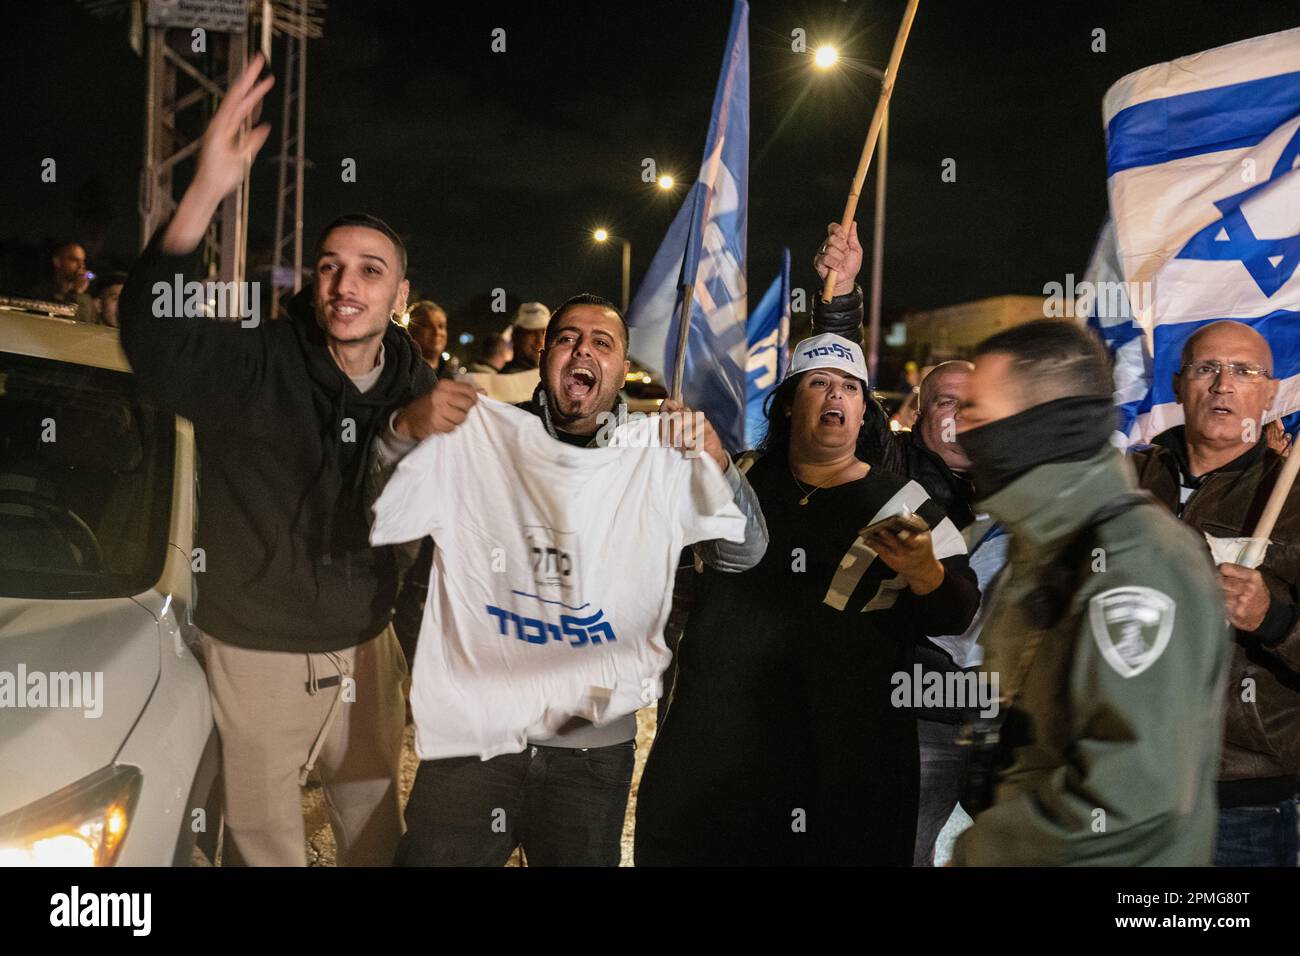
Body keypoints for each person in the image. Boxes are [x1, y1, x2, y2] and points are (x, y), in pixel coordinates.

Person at [118, 54, 472, 866]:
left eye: (369, 272)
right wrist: (204, 190)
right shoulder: (257, 360)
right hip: (256, 650)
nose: (346, 285)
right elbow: (154, 339)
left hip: (364, 646)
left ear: (400, 295)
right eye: (330, 267)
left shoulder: (422, 386)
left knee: (375, 828)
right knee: (264, 844)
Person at [374, 292, 768, 866]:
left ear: (620, 367)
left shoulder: (656, 454)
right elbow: (378, 507)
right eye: (567, 339)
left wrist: (716, 463)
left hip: (589, 761)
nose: (583, 349)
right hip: (474, 746)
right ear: (544, 355)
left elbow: (745, 554)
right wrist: (402, 430)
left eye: (602, 343)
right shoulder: (488, 437)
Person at [634, 332, 979, 865]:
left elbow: (954, 613)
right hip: (715, 754)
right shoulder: (736, 476)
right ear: (791, 401)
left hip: (840, 767)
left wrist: (923, 571)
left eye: (849, 387)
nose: (835, 395)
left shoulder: (904, 501)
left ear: (866, 411)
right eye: (819, 383)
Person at [950, 320, 1228, 865]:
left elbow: (1133, 795)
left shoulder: (1138, 562)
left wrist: (982, 853)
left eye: (978, 414)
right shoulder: (1048, 541)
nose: (962, 431)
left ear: (1041, 425)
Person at [810, 225, 994, 864]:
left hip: (1005, 724)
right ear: (917, 413)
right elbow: (837, 384)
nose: (961, 416)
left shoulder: (1021, 482)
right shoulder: (891, 465)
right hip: (918, 718)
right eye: (946, 402)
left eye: (976, 405)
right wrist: (842, 300)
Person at [1129, 320, 1300, 867]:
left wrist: (1275, 619)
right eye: (1207, 368)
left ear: (1271, 392)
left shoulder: (1294, 499)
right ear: (1179, 385)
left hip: (1238, 800)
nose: (1223, 384)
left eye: (1245, 371)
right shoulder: (1121, 481)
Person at [30, 240, 96, 323]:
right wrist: (76, 294)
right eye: (74, 260)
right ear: (57, 262)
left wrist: (78, 294)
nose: (81, 266)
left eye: (83, 261)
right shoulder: (41, 294)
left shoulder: (86, 299)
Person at [406, 300, 458, 379]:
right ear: (412, 330)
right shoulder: (401, 371)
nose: (437, 332)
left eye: (441, 326)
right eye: (428, 326)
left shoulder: (449, 378)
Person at [501, 301, 549, 372]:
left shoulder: (553, 376)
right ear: (515, 335)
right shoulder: (503, 379)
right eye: (532, 332)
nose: (540, 340)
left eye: (544, 332)